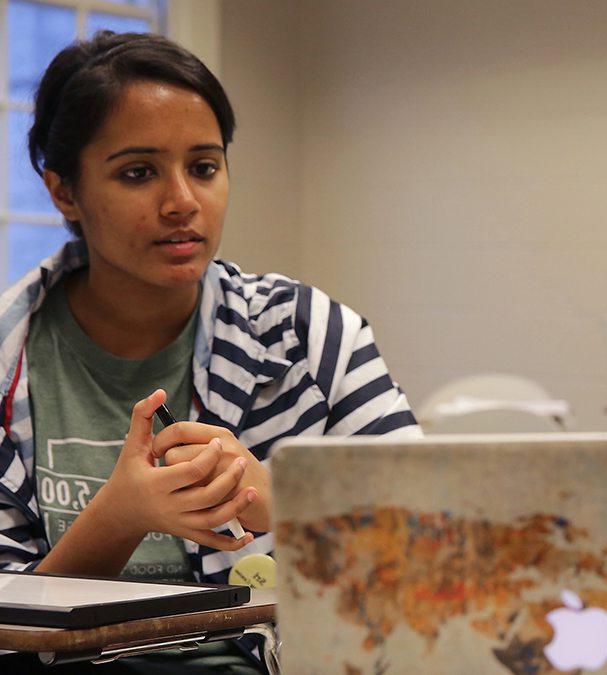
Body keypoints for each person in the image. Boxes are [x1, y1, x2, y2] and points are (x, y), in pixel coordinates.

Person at [0, 32, 419, 671]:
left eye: (204, 166)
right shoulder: (9, 358)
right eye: (137, 173)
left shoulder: (310, 336)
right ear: (63, 191)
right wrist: (118, 518)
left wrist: (281, 499)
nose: (183, 203)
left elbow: (440, 543)